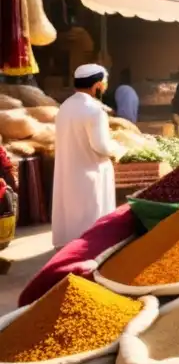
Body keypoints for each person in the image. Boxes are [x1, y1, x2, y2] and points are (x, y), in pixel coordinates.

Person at [51, 65, 124, 248]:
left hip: (69, 170)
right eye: (104, 83)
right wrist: (118, 148)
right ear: (97, 85)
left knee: (71, 215)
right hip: (89, 171)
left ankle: (70, 249)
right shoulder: (94, 110)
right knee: (90, 219)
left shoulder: (65, 106)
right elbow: (101, 146)